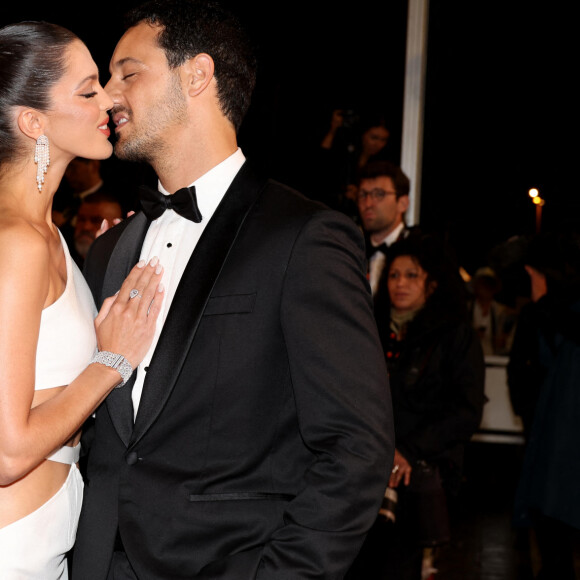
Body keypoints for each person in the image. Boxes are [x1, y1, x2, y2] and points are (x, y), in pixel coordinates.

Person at [72, 1, 395, 579]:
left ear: (197, 75)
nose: (108, 94)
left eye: (128, 73)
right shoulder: (107, 251)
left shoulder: (303, 237)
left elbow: (354, 450)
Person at [0, 21, 165, 579]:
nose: (109, 99)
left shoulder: (45, 235)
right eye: (87, 89)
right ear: (32, 121)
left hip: (46, 538)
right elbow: (7, 451)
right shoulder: (16, 241)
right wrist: (111, 362)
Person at [347, 233, 486, 580]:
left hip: (418, 474)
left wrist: (407, 450)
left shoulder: (455, 335)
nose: (400, 284)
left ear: (432, 284)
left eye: (412, 275)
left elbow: (466, 411)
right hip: (365, 471)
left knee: (399, 567)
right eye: (393, 275)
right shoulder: (370, 330)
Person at [511, 231, 580, 579]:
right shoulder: (540, 315)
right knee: (551, 535)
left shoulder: (562, 312)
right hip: (545, 431)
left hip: (565, 435)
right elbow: (519, 369)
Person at [356, 159, 414, 296]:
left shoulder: (422, 251)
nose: (368, 203)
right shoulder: (352, 250)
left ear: (403, 203)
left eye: (379, 194)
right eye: (363, 195)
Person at [72, 191, 124, 267]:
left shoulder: (123, 268)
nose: (86, 227)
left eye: (96, 221)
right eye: (81, 219)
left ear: (116, 225)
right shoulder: (61, 260)